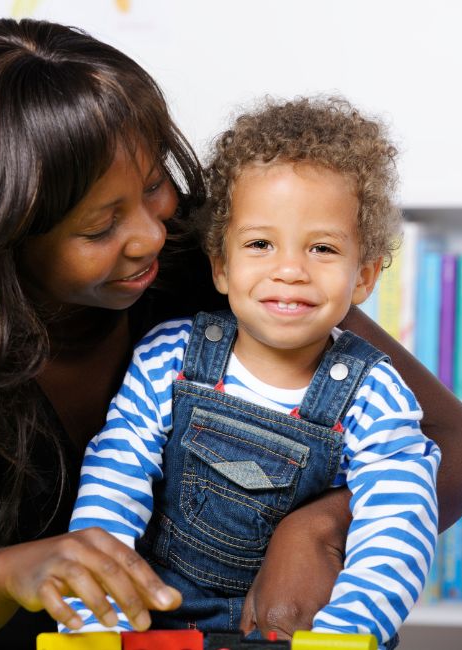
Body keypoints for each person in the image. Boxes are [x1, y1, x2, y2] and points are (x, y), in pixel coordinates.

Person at [0, 19, 462, 649]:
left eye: (153, 184)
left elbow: (460, 450)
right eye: (100, 226)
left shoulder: (228, 256)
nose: (151, 234)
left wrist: (319, 529)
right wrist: (5, 575)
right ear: (0, 241)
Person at [62, 97, 437, 648]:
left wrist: (343, 634)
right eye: (260, 244)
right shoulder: (168, 357)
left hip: (299, 633)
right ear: (220, 264)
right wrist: (94, 618)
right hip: (159, 629)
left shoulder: (376, 396)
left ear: (365, 276)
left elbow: (396, 531)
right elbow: (114, 484)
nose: (289, 270)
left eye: (323, 248)